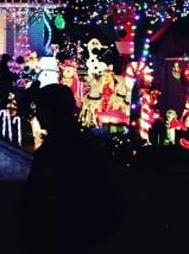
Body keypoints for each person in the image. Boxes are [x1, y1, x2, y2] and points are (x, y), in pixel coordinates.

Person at [18, 84, 123, 254]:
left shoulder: (59, 148)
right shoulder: (82, 143)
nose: (37, 115)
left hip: (61, 235)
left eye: (40, 109)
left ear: (51, 111)